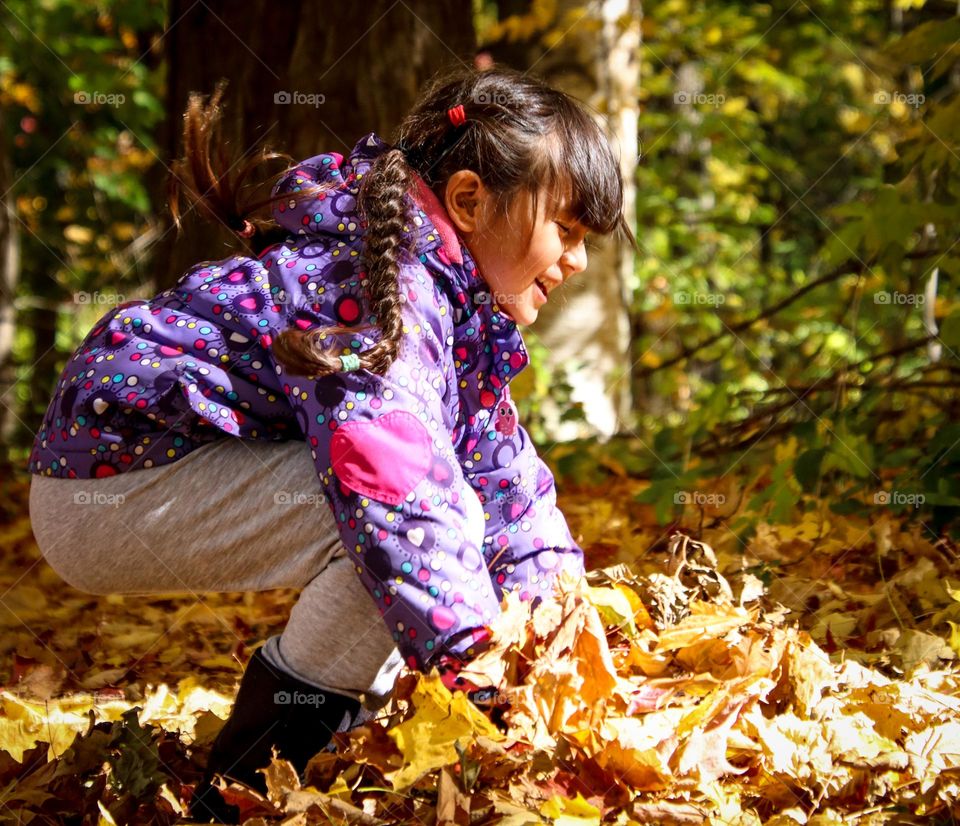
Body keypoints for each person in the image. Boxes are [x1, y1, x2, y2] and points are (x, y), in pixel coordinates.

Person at [27, 63, 634, 821]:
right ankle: (249, 791)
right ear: (471, 201)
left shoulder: (454, 305)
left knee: (441, 520)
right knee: (404, 521)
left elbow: (506, 484)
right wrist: (486, 679)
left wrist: (564, 626)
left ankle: (333, 755)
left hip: (145, 480)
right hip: (109, 490)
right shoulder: (384, 294)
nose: (577, 260)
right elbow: (398, 488)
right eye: (567, 231)